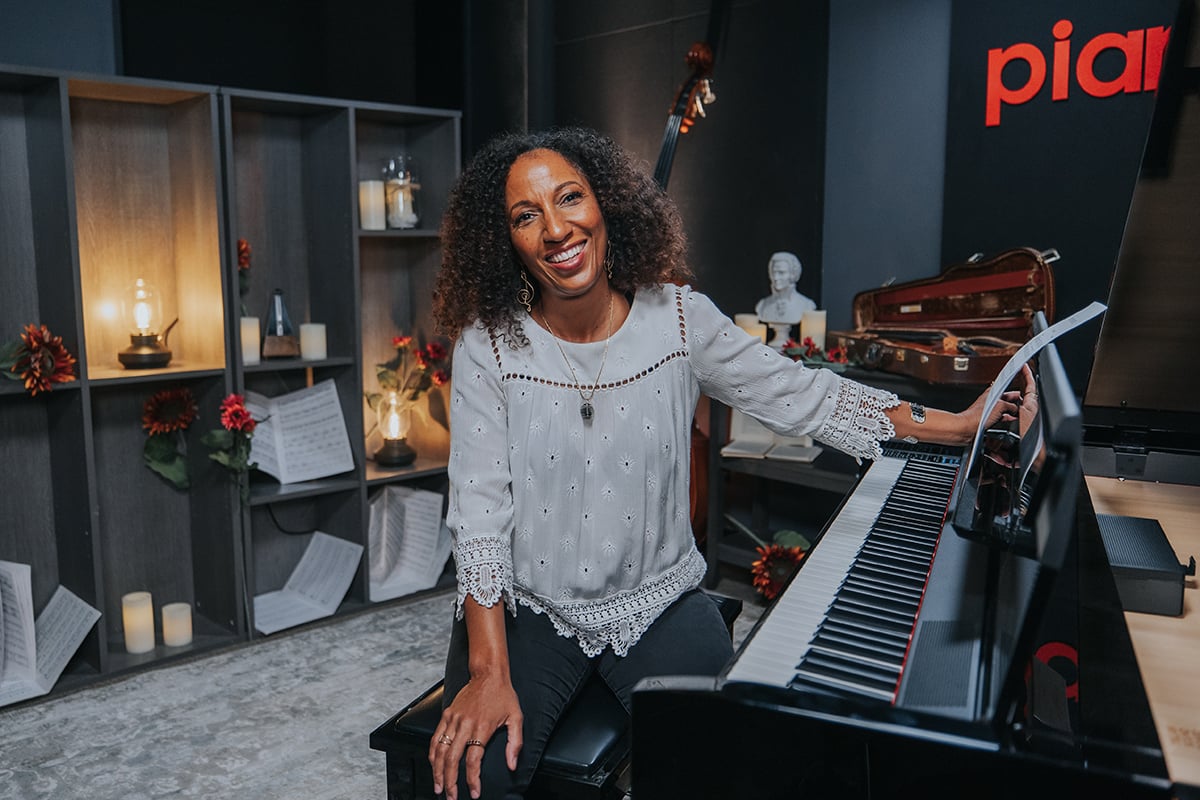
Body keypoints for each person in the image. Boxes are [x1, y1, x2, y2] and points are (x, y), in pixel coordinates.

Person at [427, 127, 1027, 800]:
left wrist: (960, 422)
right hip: (530, 608)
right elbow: (478, 516)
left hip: (659, 601)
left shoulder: (679, 320)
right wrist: (487, 669)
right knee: (478, 780)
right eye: (525, 216)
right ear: (505, 241)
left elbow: (807, 396)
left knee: (735, 768)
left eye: (570, 199)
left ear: (606, 206)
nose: (556, 229)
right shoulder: (489, 347)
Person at [754, 250, 816, 324]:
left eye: (781, 273)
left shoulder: (807, 305)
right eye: (773, 272)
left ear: (793, 274)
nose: (776, 278)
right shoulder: (762, 305)